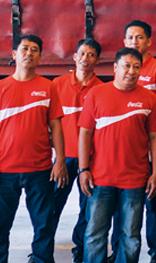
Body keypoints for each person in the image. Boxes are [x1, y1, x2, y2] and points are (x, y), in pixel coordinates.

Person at [0, 34, 68, 263]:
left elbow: (56, 127)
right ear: (14, 55)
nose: (29, 53)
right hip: (3, 172)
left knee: (44, 226)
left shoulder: (48, 87)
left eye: (35, 50)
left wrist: (59, 162)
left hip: (40, 171)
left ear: (39, 57)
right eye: (25, 48)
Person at [78, 47, 156, 263]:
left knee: (131, 236)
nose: (131, 71)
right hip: (100, 179)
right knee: (95, 234)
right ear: (115, 67)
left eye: (136, 67)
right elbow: (85, 133)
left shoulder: (149, 99)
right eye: (126, 65)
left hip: (135, 180)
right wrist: (83, 169)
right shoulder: (96, 94)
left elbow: (155, 139)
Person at [51, 38, 104, 263]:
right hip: (62, 159)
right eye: (81, 54)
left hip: (91, 161)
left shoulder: (103, 89)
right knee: (51, 207)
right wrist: (57, 158)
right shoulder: (56, 85)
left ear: (98, 60)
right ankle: (42, 250)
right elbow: (48, 123)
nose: (85, 59)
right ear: (74, 57)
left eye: (91, 55)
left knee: (88, 209)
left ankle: (81, 250)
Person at [123, 19, 156, 263]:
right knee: (123, 205)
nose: (134, 42)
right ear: (124, 42)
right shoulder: (122, 67)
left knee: (153, 202)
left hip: (152, 146)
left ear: (149, 41)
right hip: (128, 149)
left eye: (139, 37)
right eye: (130, 37)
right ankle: (120, 251)